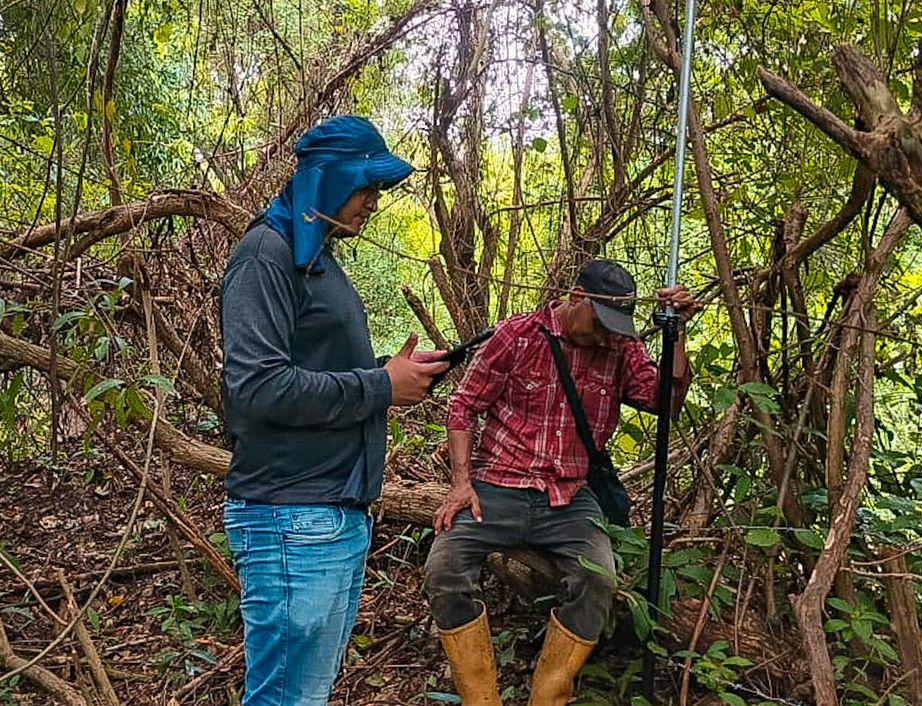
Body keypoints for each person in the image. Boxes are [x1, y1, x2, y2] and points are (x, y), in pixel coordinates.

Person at [221, 115, 450, 706]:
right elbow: (258, 387)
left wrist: (396, 374)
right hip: (291, 519)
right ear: (329, 180)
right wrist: (379, 385)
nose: (373, 202)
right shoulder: (265, 258)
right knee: (285, 699)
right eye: (366, 188)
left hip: (332, 515)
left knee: (307, 695)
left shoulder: (316, 256)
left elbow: (312, 369)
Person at [424, 260, 700, 706]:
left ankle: (549, 695)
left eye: (616, 326)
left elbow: (662, 400)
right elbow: (463, 406)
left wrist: (677, 334)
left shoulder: (620, 348)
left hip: (571, 497)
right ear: (576, 298)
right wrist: (461, 484)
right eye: (600, 321)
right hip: (498, 486)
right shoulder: (518, 336)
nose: (605, 334)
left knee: (600, 579)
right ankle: (481, 699)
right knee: (444, 567)